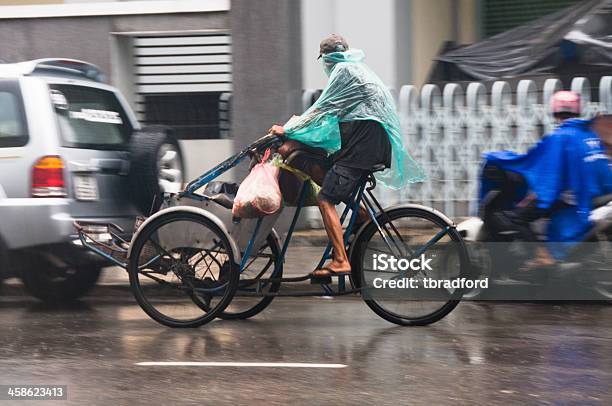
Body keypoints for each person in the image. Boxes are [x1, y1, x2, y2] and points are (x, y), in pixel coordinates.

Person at [269, 34, 425, 277]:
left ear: (327, 58)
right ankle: (361, 221)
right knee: (326, 172)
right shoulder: (357, 69)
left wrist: (287, 130)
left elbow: (322, 109)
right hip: (367, 145)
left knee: (325, 199)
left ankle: (341, 260)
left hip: (362, 148)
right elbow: (332, 120)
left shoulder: (344, 72)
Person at [482, 114, 612, 269]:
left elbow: (548, 172)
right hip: (590, 194)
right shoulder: (587, 137)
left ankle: (542, 256)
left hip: (568, 196)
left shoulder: (561, 136)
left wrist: (540, 193)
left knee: (518, 217)